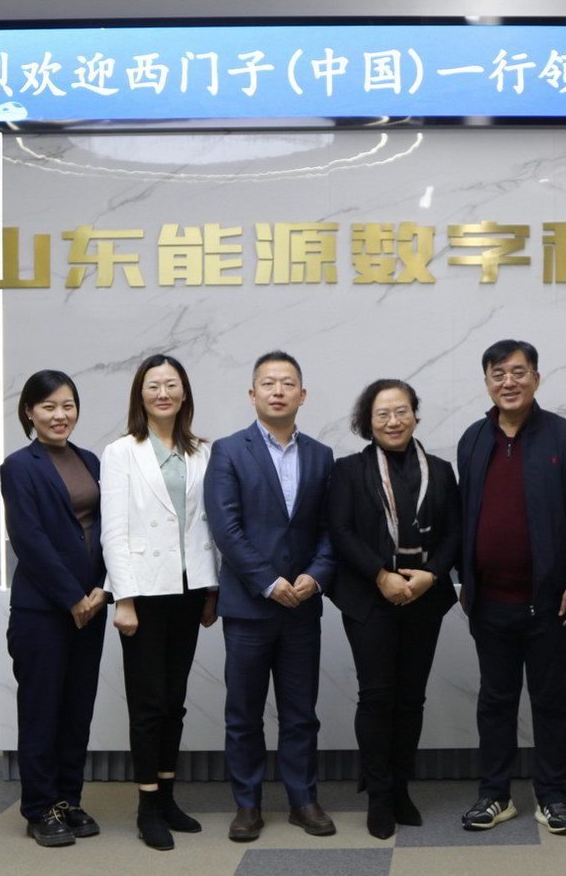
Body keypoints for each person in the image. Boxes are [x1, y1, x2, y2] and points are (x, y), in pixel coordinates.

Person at [456, 339, 566, 836]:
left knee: (552, 702)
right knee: (495, 701)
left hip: (551, 603)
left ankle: (553, 797)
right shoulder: (474, 439)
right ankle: (494, 795)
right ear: (487, 383)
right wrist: (465, 580)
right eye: (498, 374)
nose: (509, 382)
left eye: (518, 372)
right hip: (489, 602)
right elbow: (464, 516)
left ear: (536, 378)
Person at [204, 351, 337, 842]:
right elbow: (226, 528)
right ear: (252, 393)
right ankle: (247, 804)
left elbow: (331, 529)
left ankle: (304, 799)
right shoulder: (228, 451)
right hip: (248, 607)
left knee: (301, 713)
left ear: (302, 395)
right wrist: (268, 582)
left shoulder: (321, 455)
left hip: (302, 606)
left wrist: (315, 577)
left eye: (287, 383)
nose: (277, 391)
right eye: (268, 383)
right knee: (244, 713)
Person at [327, 379, 459, 839]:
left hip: (424, 595)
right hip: (370, 597)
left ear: (415, 414)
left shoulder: (440, 470)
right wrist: (381, 576)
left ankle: (401, 787)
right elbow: (341, 531)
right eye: (382, 414)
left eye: (402, 411)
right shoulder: (348, 470)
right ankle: (379, 795)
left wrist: (432, 576)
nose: (393, 421)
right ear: (368, 421)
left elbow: (455, 532)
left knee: (411, 698)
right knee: (377, 697)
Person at [100, 354, 219, 851]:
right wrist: (123, 599)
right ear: (140, 395)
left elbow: (207, 525)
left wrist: (211, 590)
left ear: (184, 392)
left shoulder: (202, 451)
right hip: (145, 592)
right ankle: (147, 806)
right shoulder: (121, 451)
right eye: (153, 385)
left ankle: (167, 797)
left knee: (174, 701)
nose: (163, 393)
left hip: (190, 590)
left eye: (171, 384)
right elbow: (114, 531)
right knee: (148, 704)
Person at [0, 369, 108, 847]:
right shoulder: (18, 466)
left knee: (77, 710)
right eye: (48, 406)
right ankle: (39, 807)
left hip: (92, 607)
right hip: (42, 611)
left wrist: (101, 590)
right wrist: (71, 597)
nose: (59, 415)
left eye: (67, 405)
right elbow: (29, 539)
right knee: (41, 710)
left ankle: (68, 800)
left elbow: (109, 529)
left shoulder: (90, 460)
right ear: (29, 411)